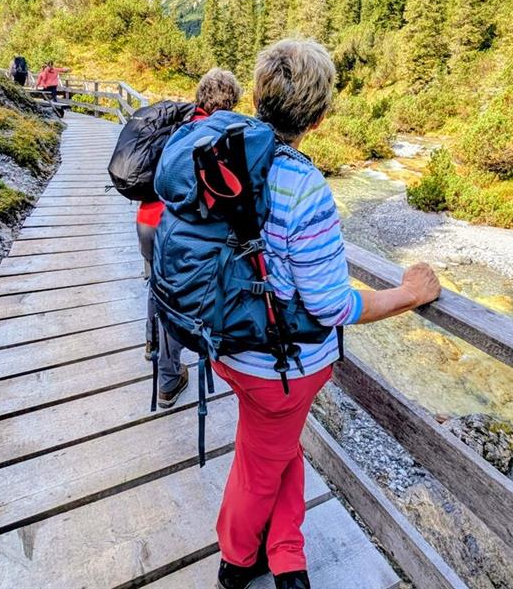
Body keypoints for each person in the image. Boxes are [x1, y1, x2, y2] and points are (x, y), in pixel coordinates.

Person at [214, 40, 441, 589]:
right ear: (316, 119)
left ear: (260, 95)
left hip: (228, 341)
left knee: (275, 448)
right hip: (283, 366)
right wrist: (409, 294)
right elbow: (331, 305)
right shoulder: (305, 187)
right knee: (259, 463)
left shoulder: (223, 154)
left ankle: (287, 558)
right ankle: (236, 562)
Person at [140, 68, 242, 407]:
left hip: (147, 222)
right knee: (178, 296)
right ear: (231, 103)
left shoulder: (179, 127)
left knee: (158, 286)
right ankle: (169, 380)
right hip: (175, 232)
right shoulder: (219, 137)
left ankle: (153, 346)